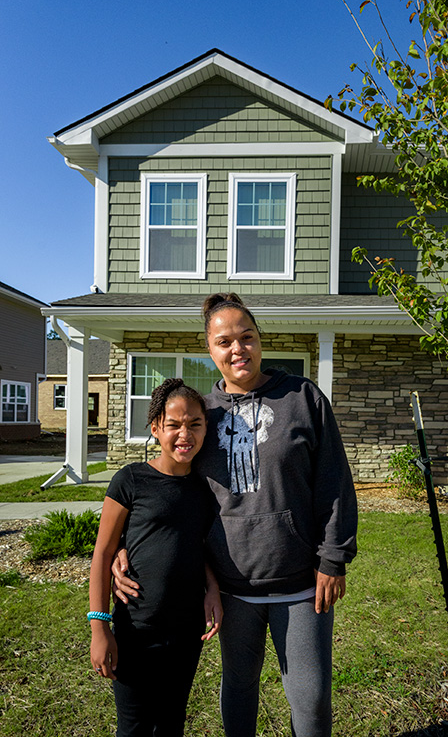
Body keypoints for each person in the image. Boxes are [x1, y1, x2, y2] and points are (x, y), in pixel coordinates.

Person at [113, 293, 358, 737]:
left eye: (246, 337)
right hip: (232, 586)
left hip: (301, 582)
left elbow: (334, 483)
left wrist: (333, 558)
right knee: (239, 687)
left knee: (313, 696)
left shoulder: (302, 398)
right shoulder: (201, 416)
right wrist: (127, 546)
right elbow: (173, 492)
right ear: (210, 350)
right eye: (224, 341)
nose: (237, 349)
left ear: (260, 341)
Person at [88, 378, 223, 737]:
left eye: (195, 424)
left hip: (185, 630)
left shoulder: (204, 488)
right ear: (155, 428)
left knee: (171, 723)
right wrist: (99, 627)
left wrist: (212, 587)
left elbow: (196, 545)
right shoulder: (130, 480)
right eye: (174, 424)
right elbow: (103, 552)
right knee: (133, 728)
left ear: (206, 428)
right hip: (136, 629)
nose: (185, 434)